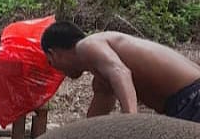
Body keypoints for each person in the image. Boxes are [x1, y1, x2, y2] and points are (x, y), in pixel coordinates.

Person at [41, 20, 200, 120]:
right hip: (184, 102)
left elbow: (120, 72)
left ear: (53, 54)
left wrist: (130, 122)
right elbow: (92, 123)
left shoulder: (87, 45)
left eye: (50, 62)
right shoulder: (102, 80)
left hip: (193, 97)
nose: (58, 71)